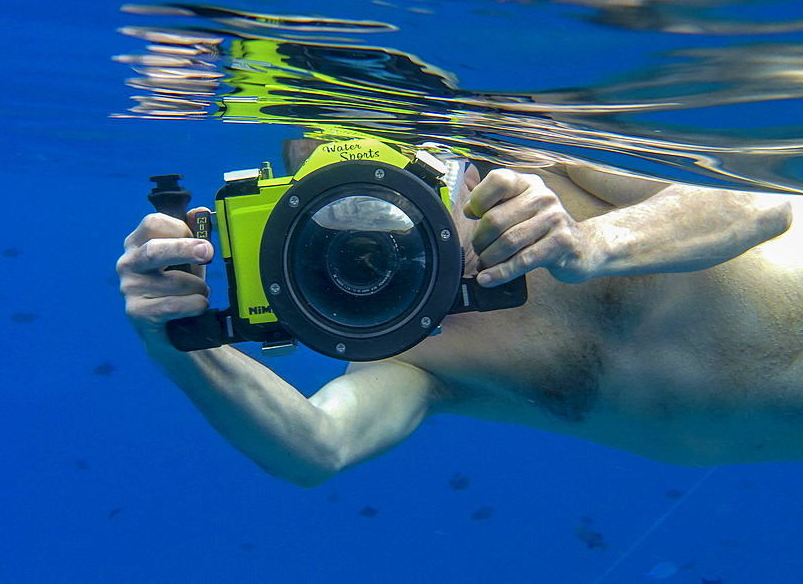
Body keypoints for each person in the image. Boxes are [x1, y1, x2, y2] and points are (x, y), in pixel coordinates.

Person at [117, 145, 803, 488]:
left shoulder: (542, 162)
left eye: (390, 197)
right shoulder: (410, 348)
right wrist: (174, 340)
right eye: (338, 229)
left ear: (447, 171)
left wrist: (595, 242)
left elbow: (761, 204)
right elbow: (316, 445)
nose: (376, 243)